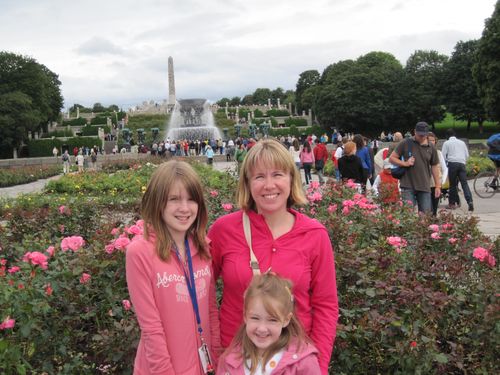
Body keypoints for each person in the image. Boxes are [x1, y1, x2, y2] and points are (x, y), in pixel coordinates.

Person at [208, 139, 338, 375]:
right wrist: (217, 352)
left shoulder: (314, 235)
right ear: (247, 184)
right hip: (235, 363)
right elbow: (202, 291)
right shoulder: (223, 231)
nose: (269, 185)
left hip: (294, 365)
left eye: (277, 174)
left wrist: (318, 366)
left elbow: (326, 306)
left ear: (291, 178)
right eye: (259, 177)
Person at [126, 160, 221, 375]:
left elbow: (211, 311)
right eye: (174, 199)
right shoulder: (140, 253)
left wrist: (216, 356)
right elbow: (151, 329)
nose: (185, 208)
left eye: (191, 199)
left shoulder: (203, 247)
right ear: (158, 203)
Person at [217, 273, 321, 375]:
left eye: (272, 320)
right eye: (255, 318)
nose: (262, 328)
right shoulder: (229, 360)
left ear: (286, 319)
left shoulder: (304, 363)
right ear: (245, 316)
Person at [389, 122, 441, 214]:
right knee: (407, 215)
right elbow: (392, 158)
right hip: (407, 185)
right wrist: (405, 163)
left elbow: (434, 166)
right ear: (414, 132)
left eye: (424, 135)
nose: (421, 137)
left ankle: (423, 228)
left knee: (425, 215)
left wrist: (437, 186)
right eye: (419, 134)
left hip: (425, 185)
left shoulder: (431, 147)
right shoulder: (405, 143)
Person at [441, 129, 473, 211]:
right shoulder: (462, 143)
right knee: (464, 184)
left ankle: (452, 203)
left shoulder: (446, 143)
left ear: (447, 136)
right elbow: (467, 155)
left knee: (452, 185)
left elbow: (443, 156)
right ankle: (470, 201)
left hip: (452, 164)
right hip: (462, 164)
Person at [427, 132, 448, 216]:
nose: (431, 142)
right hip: (426, 183)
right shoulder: (423, 152)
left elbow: (445, 168)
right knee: (427, 205)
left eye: (433, 140)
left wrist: (442, 181)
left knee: (435, 206)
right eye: (429, 140)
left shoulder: (438, 153)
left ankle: (433, 219)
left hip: (436, 183)